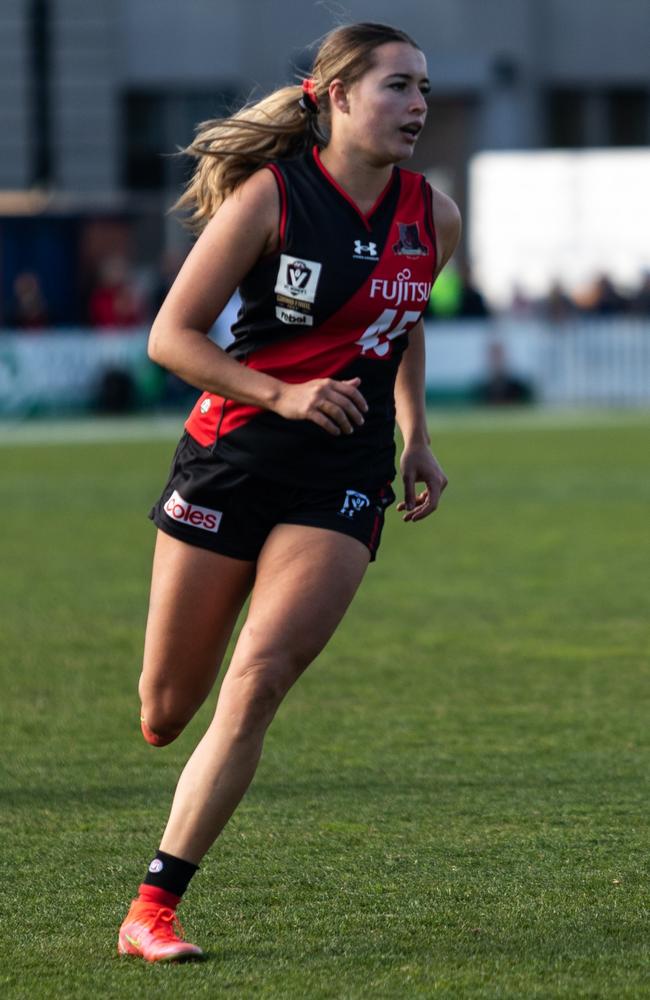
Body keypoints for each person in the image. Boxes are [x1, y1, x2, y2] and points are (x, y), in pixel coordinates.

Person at [117, 21, 460, 963]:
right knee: (166, 709)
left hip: (340, 478)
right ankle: (164, 734)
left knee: (259, 681)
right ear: (337, 94)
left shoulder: (435, 214)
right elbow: (171, 338)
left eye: (424, 88)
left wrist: (414, 434)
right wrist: (284, 392)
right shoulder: (270, 197)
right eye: (397, 86)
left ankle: (153, 907)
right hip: (232, 458)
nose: (418, 105)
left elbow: (403, 315)